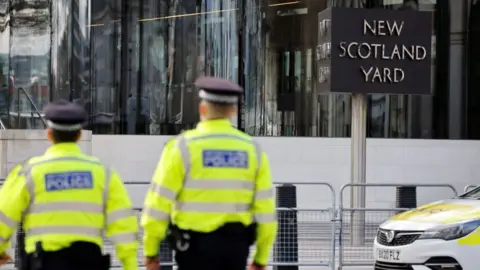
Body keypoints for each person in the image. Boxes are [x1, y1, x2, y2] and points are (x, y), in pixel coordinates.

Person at [141, 76, 277, 270]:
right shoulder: (253, 150)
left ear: (202, 109)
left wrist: (151, 252)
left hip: (193, 251)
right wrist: (261, 258)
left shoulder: (181, 147)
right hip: (235, 249)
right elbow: (266, 211)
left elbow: (158, 203)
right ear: (233, 111)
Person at [0, 100, 139, 270]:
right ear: (79, 135)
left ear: (49, 134)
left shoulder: (28, 172)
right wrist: (130, 264)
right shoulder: (103, 173)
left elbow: (4, 215)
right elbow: (122, 222)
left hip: (43, 262)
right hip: (88, 262)